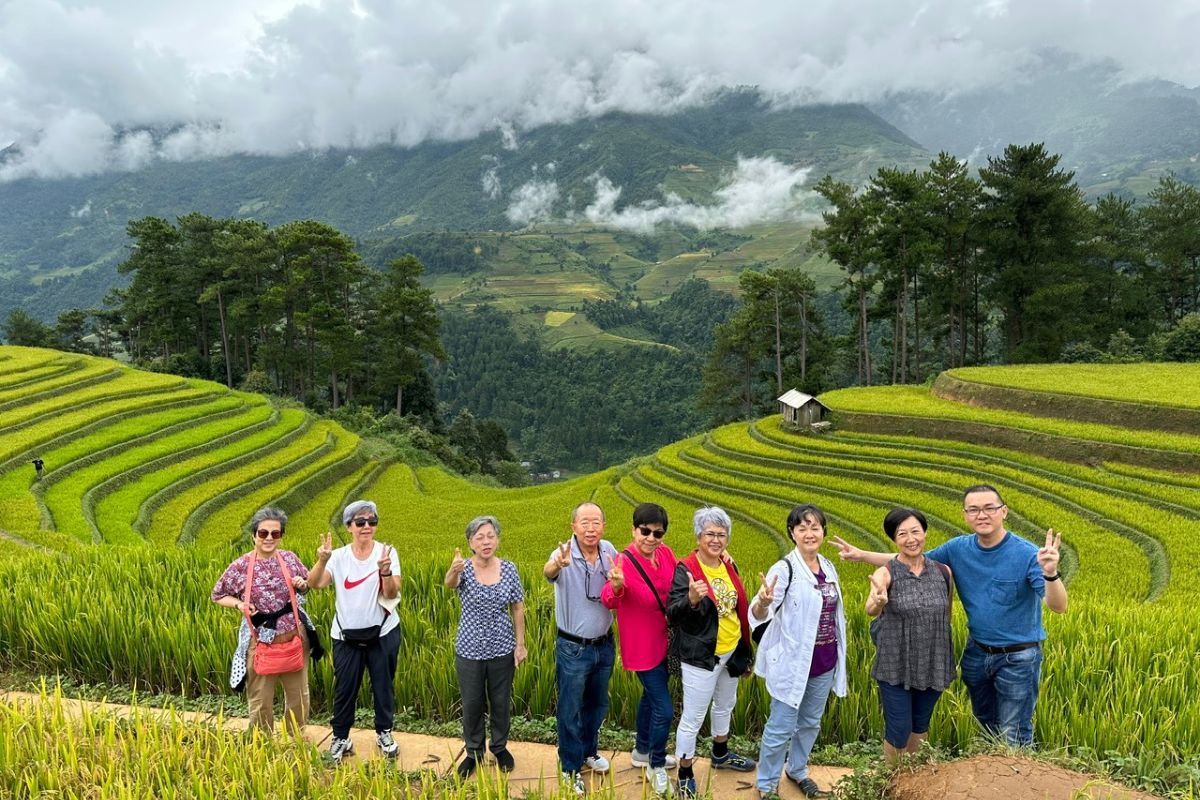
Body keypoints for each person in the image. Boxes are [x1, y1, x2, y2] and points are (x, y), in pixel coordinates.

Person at [835, 485, 1067, 748]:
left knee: (1013, 734)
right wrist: (862, 555)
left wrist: (1050, 572)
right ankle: (992, 784)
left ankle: (1018, 786)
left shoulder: (1026, 554)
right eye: (974, 509)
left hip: (1018, 656)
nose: (982, 515)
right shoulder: (958, 548)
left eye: (989, 508)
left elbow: (1058, 605)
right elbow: (910, 558)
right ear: (965, 514)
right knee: (986, 727)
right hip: (977, 653)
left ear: (1004, 512)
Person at [751, 504, 847, 799]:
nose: (809, 533)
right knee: (780, 726)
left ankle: (797, 768)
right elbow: (757, 612)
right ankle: (766, 784)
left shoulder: (828, 567)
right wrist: (764, 601)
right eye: (802, 528)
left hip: (825, 661)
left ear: (823, 532)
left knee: (809, 723)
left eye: (815, 527)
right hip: (793, 664)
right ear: (792, 533)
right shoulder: (786, 568)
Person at [668, 506, 756, 797]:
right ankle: (684, 771)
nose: (716, 539)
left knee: (724, 705)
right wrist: (691, 599)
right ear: (698, 536)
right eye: (710, 534)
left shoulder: (728, 565)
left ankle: (720, 753)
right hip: (701, 656)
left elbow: (736, 608)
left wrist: (745, 650)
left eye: (721, 534)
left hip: (732, 649)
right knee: (693, 716)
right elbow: (672, 614)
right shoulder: (686, 569)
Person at [307, 499, 402, 763]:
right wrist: (322, 560)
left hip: (383, 633)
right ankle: (341, 737)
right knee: (345, 688)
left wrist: (385, 571)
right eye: (360, 522)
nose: (366, 527)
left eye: (372, 522)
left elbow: (393, 592)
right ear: (349, 526)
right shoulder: (338, 557)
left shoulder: (387, 552)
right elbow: (316, 584)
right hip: (346, 636)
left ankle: (384, 732)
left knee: (383, 686)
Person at [210, 507, 316, 735]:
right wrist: (239, 604)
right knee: (260, 698)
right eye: (263, 533)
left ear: (281, 536)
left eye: (275, 534)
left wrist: (302, 583)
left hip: (294, 637)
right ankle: (262, 744)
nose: (269, 538)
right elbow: (218, 595)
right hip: (260, 642)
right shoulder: (240, 566)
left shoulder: (289, 559)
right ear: (254, 535)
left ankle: (296, 740)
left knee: (299, 696)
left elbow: (308, 584)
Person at [865, 508, 957, 765]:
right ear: (895, 540)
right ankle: (892, 781)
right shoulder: (887, 572)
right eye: (902, 533)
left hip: (933, 660)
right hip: (896, 662)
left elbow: (946, 614)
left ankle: (914, 781)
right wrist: (879, 601)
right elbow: (870, 608)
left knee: (920, 724)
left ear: (925, 532)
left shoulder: (943, 572)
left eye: (915, 531)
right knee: (899, 728)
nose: (910, 538)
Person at [601, 502, 678, 796]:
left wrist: (718, 555)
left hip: (667, 643)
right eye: (644, 530)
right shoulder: (623, 561)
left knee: (650, 699)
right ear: (634, 529)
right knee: (664, 708)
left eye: (657, 533)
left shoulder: (666, 554)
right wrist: (618, 586)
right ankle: (656, 766)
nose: (650, 538)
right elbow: (609, 598)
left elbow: (682, 575)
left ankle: (642, 751)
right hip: (642, 648)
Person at [544, 501, 618, 796]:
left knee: (597, 704)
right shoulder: (562, 554)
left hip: (604, 644)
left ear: (604, 526)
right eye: (584, 522)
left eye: (596, 522)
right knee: (570, 709)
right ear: (573, 526)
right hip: (573, 648)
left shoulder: (609, 551)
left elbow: (621, 584)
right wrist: (557, 565)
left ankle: (588, 751)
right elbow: (548, 571)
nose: (591, 528)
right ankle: (570, 767)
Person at [445, 515, 527, 778]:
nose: (486, 541)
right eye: (479, 537)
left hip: (502, 646)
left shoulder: (509, 569)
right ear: (470, 542)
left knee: (501, 701)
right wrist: (454, 569)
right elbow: (450, 584)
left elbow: (517, 606)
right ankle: (473, 752)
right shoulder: (464, 568)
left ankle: (500, 747)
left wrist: (520, 644)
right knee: (472, 702)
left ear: (498, 538)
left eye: (490, 535)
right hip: (469, 648)